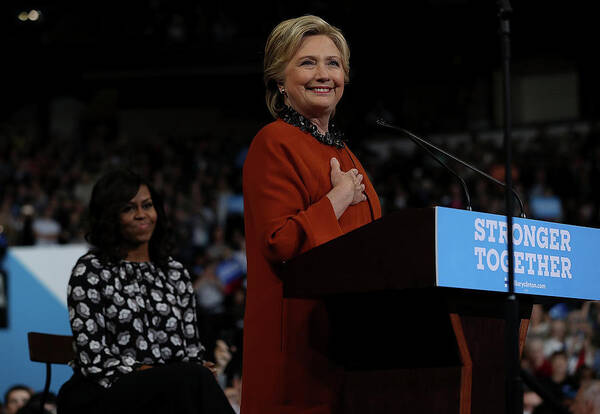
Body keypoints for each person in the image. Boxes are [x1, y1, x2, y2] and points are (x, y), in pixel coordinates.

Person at [242, 15, 381, 414]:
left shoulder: (345, 154)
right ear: (279, 80)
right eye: (307, 63)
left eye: (333, 63)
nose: (323, 74)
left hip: (351, 342)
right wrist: (336, 200)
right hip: (300, 348)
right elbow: (280, 242)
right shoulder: (274, 142)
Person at [57, 169, 234, 414]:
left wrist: (189, 370)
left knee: (194, 379)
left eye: (147, 206)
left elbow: (191, 348)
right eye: (129, 209)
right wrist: (160, 374)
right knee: (190, 381)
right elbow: (94, 358)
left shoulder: (175, 272)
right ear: (110, 217)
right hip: (104, 391)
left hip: (170, 390)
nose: (142, 215)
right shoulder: (90, 270)